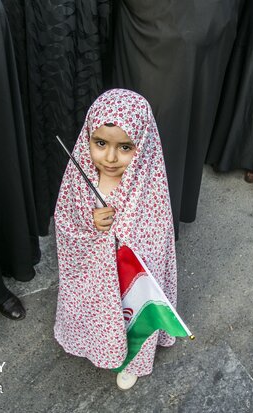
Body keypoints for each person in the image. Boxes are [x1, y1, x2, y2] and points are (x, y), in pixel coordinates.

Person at [53, 89, 178, 390]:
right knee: (96, 309)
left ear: (143, 145)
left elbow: (154, 236)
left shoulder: (149, 183)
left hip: (127, 276)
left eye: (124, 147)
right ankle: (94, 343)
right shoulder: (80, 175)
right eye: (100, 143)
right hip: (94, 274)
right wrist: (90, 220)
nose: (109, 157)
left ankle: (134, 359)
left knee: (131, 313)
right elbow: (65, 218)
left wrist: (124, 239)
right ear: (88, 139)